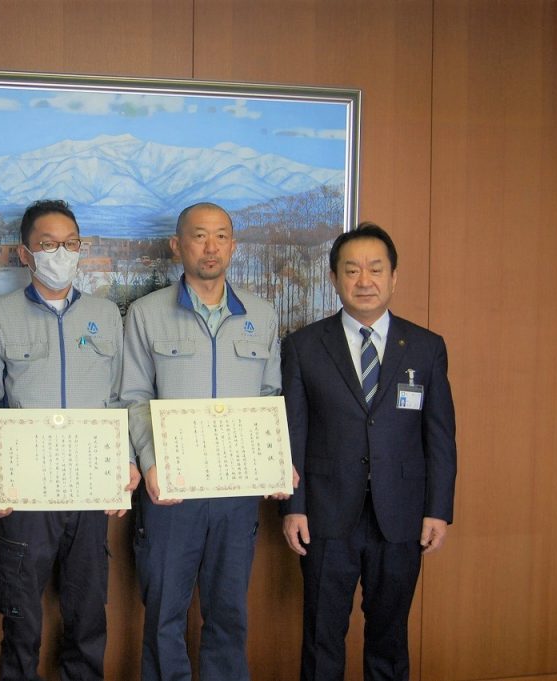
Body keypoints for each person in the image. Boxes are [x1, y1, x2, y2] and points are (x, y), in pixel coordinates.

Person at [0, 199, 140, 681]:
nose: (59, 253)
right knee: (21, 624)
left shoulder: (107, 316)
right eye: (47, 244)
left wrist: (126, 460)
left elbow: (121, 398)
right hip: (27, 493)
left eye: (70, 243)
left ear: (80, 248)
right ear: (26, 253)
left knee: (87, 618)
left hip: (91, 492)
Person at [279, 222, 457, 681]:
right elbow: (293, 432)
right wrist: (293, 508)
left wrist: (438, 510)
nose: (364, 280)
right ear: (334, 278)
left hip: (400, 515)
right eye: (352, 269)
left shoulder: (425, 346)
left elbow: (439, 436)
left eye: (375, 269)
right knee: (322, 637)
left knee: (389, 637)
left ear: (394, 276)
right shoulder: (303, 346)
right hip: (325, 514)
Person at [121, 202, 284, 681]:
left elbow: (270, 397)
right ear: (177, 245)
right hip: (171, 494)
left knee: (229, 618)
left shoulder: (263, 314)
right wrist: (150, 463)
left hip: (237, 497)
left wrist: (276, 460)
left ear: (233, 246)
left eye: (220, 236)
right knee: (163, 619)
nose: (210, 248)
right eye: (198, 236)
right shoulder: (147, 314)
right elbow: (132, 396)